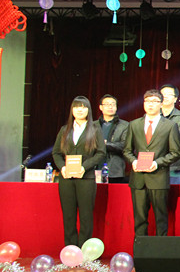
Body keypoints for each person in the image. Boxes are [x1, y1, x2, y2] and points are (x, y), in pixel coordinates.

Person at [123, 89, 180, 237]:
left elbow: (175, 152)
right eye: (147, 101)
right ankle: (140, 248)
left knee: (160, 218)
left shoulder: (170, 126)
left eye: (155, 101)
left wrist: (157, 163)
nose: (150, 104)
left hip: (158, 177)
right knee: (140, 219)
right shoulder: (134, 124)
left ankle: (160, 249)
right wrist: (133, 161)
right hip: (138, 178)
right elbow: (127, 150)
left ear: (161, 104)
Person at [52, 96, 106, 246]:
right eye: (76, 107)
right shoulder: (65, 129)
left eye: (83, 107)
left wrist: (84, 167)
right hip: (66, 178)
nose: (80, 110)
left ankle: (84, 249)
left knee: (86, 216)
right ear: (72, 110)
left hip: (86, 178)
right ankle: (70, 248)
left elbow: (101, 153)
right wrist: (62, 167)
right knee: (68, 215)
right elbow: (56, 153)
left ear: (88, 110)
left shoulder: (95, 129)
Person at [159, 84, 180, 184]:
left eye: (169, 94)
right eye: (163, 94)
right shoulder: (152, 116)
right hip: (154, 165)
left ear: (175, 98)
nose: (165, 96)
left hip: (174, 167)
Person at [97, 94, 129, 183]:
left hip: (115, 169)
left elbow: (125, 145)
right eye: (107, 104)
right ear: (100, 107)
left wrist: (105, 144)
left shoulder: (125, 125)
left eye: (113, 104)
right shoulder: (92, 125)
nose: (110, 107)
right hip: (95, 167)